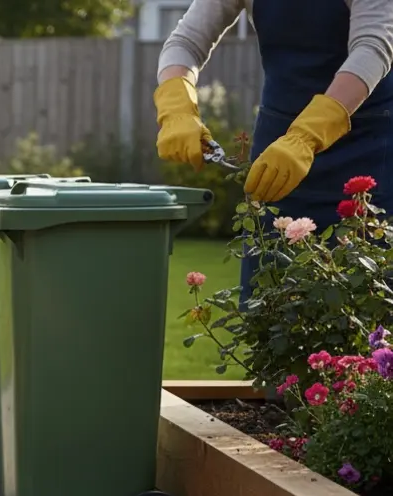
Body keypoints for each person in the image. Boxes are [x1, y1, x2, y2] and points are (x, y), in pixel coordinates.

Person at [153, 1, 393, 298]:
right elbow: (186, 41)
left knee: (367, 298)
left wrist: (308, 134)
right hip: (278, 144)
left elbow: (372, 47)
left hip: (366, 144)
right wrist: (176, 105)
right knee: (269, 300)